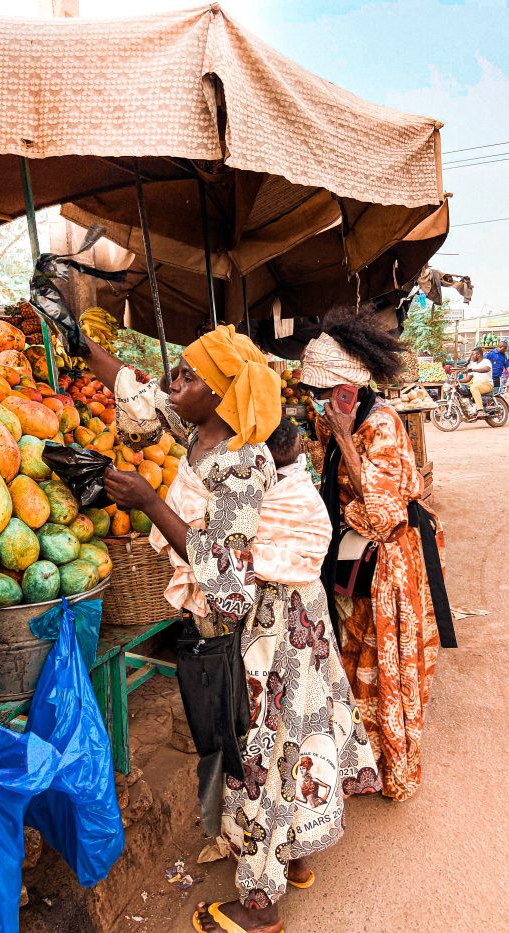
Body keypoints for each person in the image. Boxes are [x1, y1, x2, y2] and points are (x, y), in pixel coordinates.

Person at [82, 326, 378, 933]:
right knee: (289, 737)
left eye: (188, 375)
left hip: (268, 628)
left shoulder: (239, 463)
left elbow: (229, 585)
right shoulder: (203, 430)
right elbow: (142, 393)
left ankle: (259, 906)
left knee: (258, 751)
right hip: (285, 617)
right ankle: (291, 858)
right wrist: (82, 344)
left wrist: (149, 502)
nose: (174, 382)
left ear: (220, 395)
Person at [300, 305, 455, 802]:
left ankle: (395, 768)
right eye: (314, 393)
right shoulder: (329, 419)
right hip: (353, 553)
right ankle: (359, 761)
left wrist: (345, 439)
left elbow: (384, 514)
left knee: (387, 662)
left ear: (349, 389)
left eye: (323, 393)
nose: (316, 402)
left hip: (389, 558)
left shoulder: (380, 426)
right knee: (354, 653)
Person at [460, 347, 494, 414]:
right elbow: (467, 379)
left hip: (487, 384)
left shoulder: (486, 361)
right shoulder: (473, 365)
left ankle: (480, 410)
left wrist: (473, 370)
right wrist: (457, 380)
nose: (471, 356)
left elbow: (486, 369)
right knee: (462, 388)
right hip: (476, 384)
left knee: (473, 387)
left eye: (473, 354)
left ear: (478, 354)